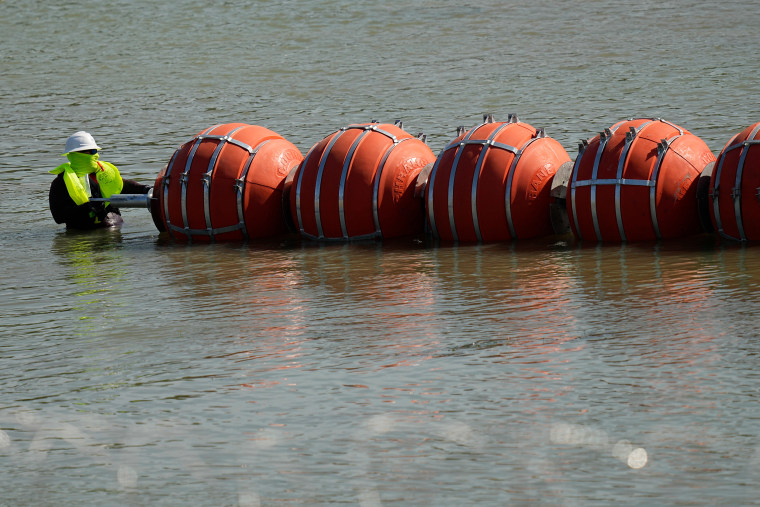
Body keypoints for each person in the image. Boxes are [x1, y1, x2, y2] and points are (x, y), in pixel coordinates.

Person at [49, 131, 151, 229]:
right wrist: (87, 208)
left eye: (95, 151)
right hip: (85, 236)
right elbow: (58, 217)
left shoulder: (103, 173)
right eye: (91, 152)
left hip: (115, 232)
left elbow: (123, 186)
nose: (95, 155)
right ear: (75, 154)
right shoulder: (60, 183)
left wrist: (146, 189)